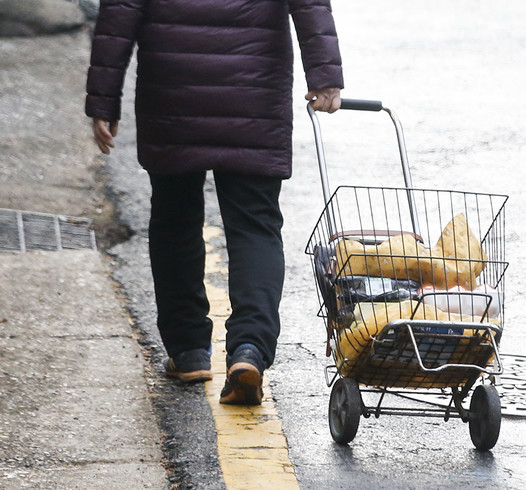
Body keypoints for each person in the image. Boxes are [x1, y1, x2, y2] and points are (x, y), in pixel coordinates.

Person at [86, 0, 343, 405]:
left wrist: (103, 98)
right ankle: (249, 350)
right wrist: (325, 74)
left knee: (174, 221)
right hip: (254, 85)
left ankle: (188, 350)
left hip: (172, 87)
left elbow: (120, 10)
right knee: (255, 225)